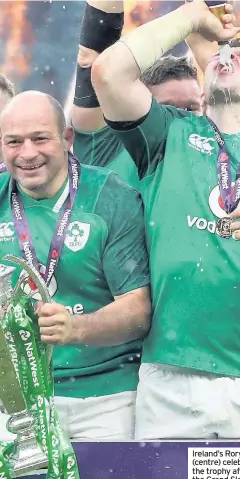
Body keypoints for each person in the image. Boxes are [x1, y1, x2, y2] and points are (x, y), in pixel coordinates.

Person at [92, 0, 240, 440]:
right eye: (219, 55)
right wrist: (192, 18)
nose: (226, 56)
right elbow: (107, 73)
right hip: (169, 378)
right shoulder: (169, 134)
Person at [0, 90, 151, 440]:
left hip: (104, 397)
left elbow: (138, 311)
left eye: (40, 138)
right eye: (14, 142)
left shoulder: (109, 196)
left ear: (67, 138)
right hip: (15, 401)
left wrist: (75, 329)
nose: (27, 153)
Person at [72, 0, 201, 189]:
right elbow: (92, 54)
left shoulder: (217, 154)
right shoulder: (104, 146)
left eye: (191, 108)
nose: (181, 117)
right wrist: (192, 16)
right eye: (168, 109)